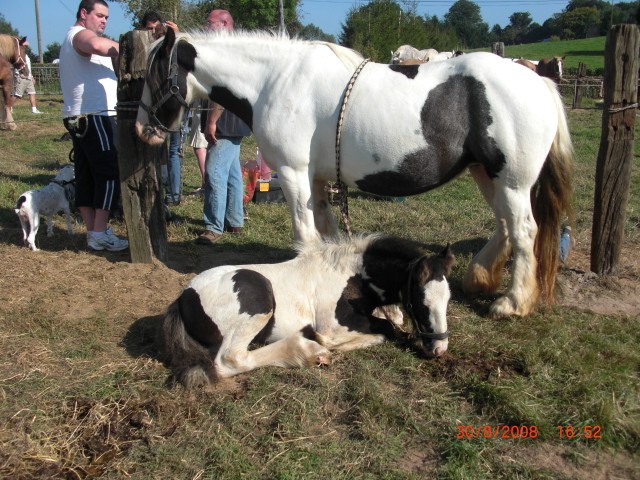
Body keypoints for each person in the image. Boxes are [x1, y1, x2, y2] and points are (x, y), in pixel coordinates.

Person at [59, 0, 128, 251]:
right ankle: (99, 232)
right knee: (108, 173)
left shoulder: (75, 37)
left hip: (83, 115)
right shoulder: (80, 35)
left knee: (87, 174)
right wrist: (129, 48)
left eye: (106, 17)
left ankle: (93, 232)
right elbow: (98, 45)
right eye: (99, 15)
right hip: (94, 115)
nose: (104, 21)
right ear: (83, 13)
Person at [196, 9, 251, 245]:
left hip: (225, 122)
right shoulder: (237, 48)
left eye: (210, 23)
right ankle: (234, 220)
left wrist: (211, 121)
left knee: (215, 173)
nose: (206, 27)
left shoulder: (224, 51)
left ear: (225, 23)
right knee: (232, 174)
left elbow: (221, 89)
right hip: (236, 120)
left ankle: (213, 227)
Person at [140, 11, 183, 206]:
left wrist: (177, 35)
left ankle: (173, 194)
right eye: (149, 28)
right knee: (156, 149)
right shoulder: (142, 46)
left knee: (173, 150)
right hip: (153, 107)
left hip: (172, 106)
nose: (152, 32)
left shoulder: (169, 45)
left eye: (155, 28)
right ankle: (158, 191)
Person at [12, 50, 42, 114]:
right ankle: (8, 107)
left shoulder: (27, 56)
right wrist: (19, 74)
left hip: (29, 78)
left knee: (32, 93)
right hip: (21, 78)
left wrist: (31, 77)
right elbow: (15, 65)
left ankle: (34, 109)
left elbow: (28, 67)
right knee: (18, 95)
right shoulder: (18, 56)